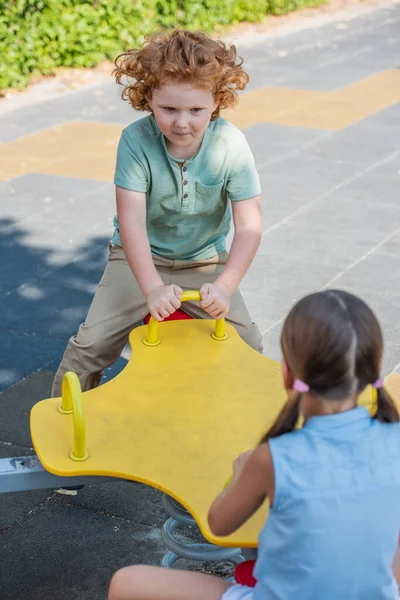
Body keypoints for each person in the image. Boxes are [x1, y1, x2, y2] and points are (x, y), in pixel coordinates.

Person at [108, 290, 400, 600]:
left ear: (286, 373)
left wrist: (240, 473)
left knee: (126, 582)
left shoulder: (272, 458)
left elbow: (219, 526)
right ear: (372, 368)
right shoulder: (393, 438)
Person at [51, 28, 263, 397]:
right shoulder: (136, 141)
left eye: (196, 110)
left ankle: (244, 434)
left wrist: (226, 286)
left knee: (250, 345)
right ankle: (56, 434)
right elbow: (131, 222)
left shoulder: (230, 145)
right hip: (138, 259)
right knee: (90, 347)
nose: (182, 123)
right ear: (148, 98)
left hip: (204, 261)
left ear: (216, 101)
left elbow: (249, 227)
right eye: (169, 110)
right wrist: (151, 287)